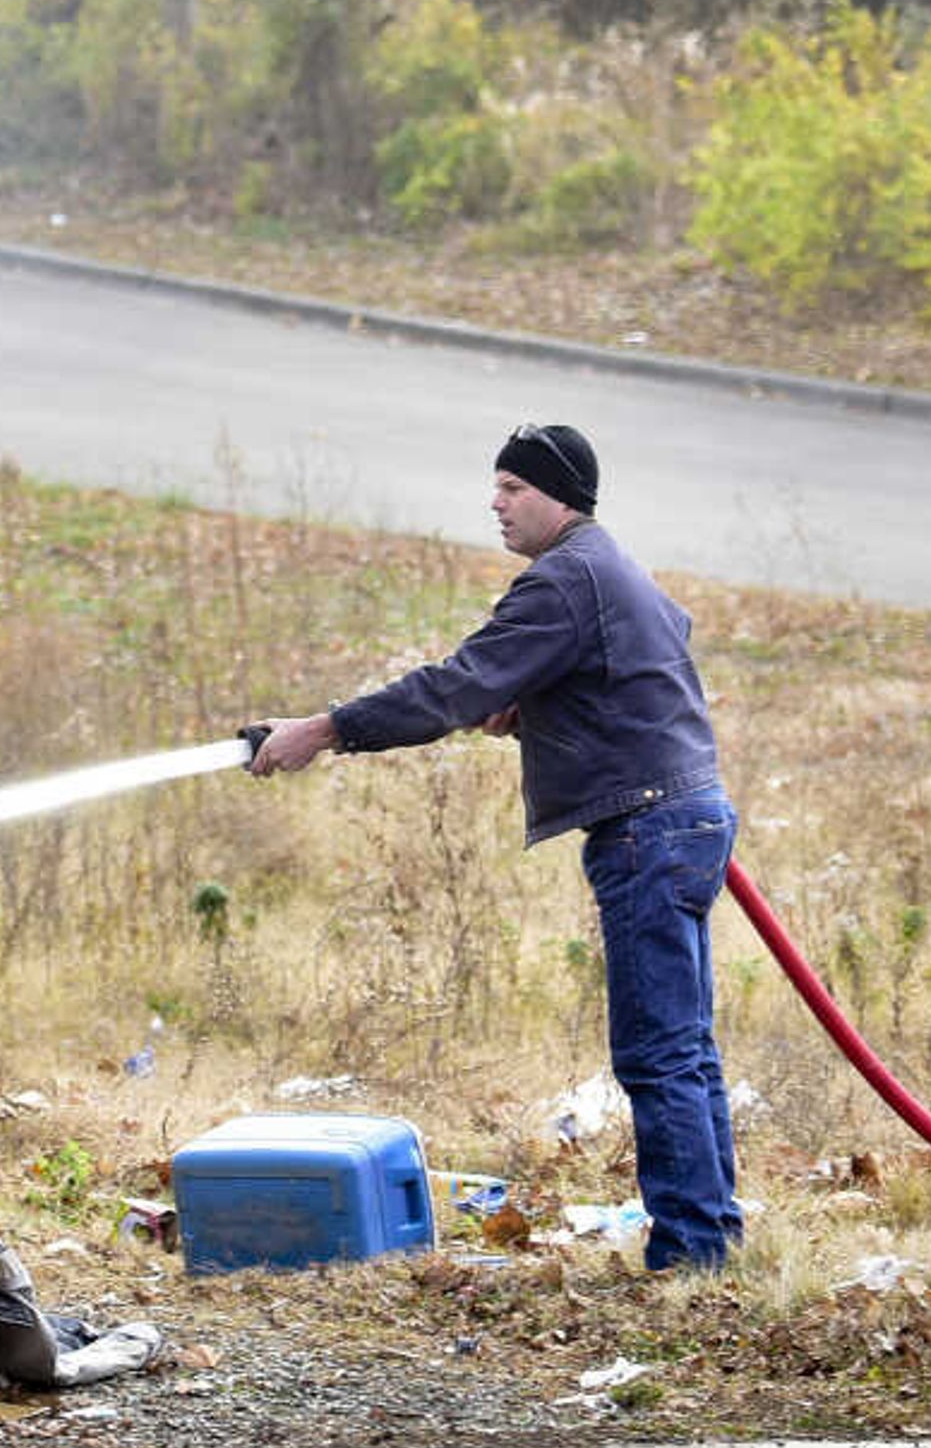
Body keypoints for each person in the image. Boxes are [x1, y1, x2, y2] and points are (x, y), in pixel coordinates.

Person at [245, 421, 743, 1273]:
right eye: (497, 486)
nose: (495, 503)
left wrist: (323, 731)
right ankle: (709, 1241)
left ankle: (693, 1257)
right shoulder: (605, 567)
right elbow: (662, 637)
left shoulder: (562, 582)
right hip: (685, 817)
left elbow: (454, 687)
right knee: (685, 1049)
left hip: (650, 830)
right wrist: (548, 704)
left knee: (658, 1051)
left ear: (560, 498)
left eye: (513, 488)